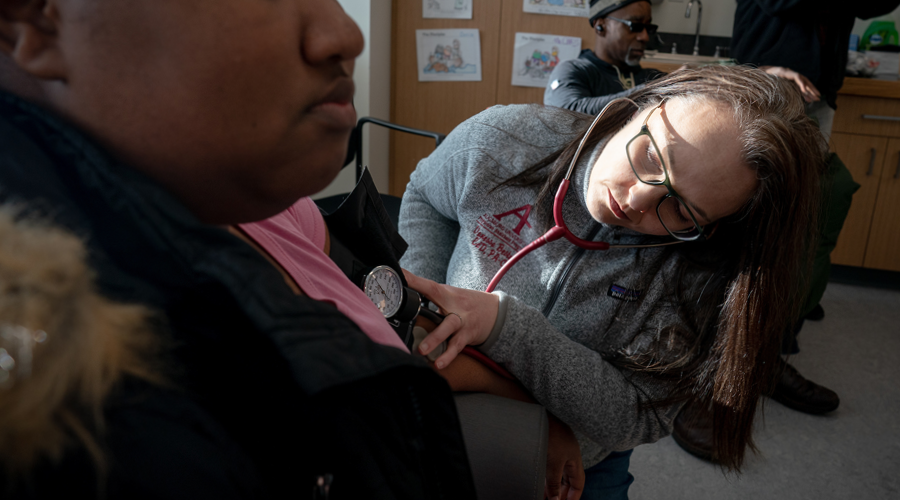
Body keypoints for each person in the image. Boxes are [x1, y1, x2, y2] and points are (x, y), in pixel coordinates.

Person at [0, 0, 476, 497]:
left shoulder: (259, 203)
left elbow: (398, 311)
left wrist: (521, 358)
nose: (343, 35)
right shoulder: (93, 418)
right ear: (31, 18)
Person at [399, 65, 827, 498]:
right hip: (445, 402)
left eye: (682, 212)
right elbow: (425, 195)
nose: (637, 199)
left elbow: (638, 414)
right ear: (641, 105)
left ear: (712, 227)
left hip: (575, 455)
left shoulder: (701, 273)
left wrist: (507, 329)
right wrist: (429, 312)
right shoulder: (503, 138)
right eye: (653, 157)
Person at [544, 0, 662, 115]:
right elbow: (564, 115)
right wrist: (647, 92)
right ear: (600, 26)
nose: (645, 37)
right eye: (635, 26)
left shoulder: (652, 77)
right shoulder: (574, 70)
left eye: (649, 28)